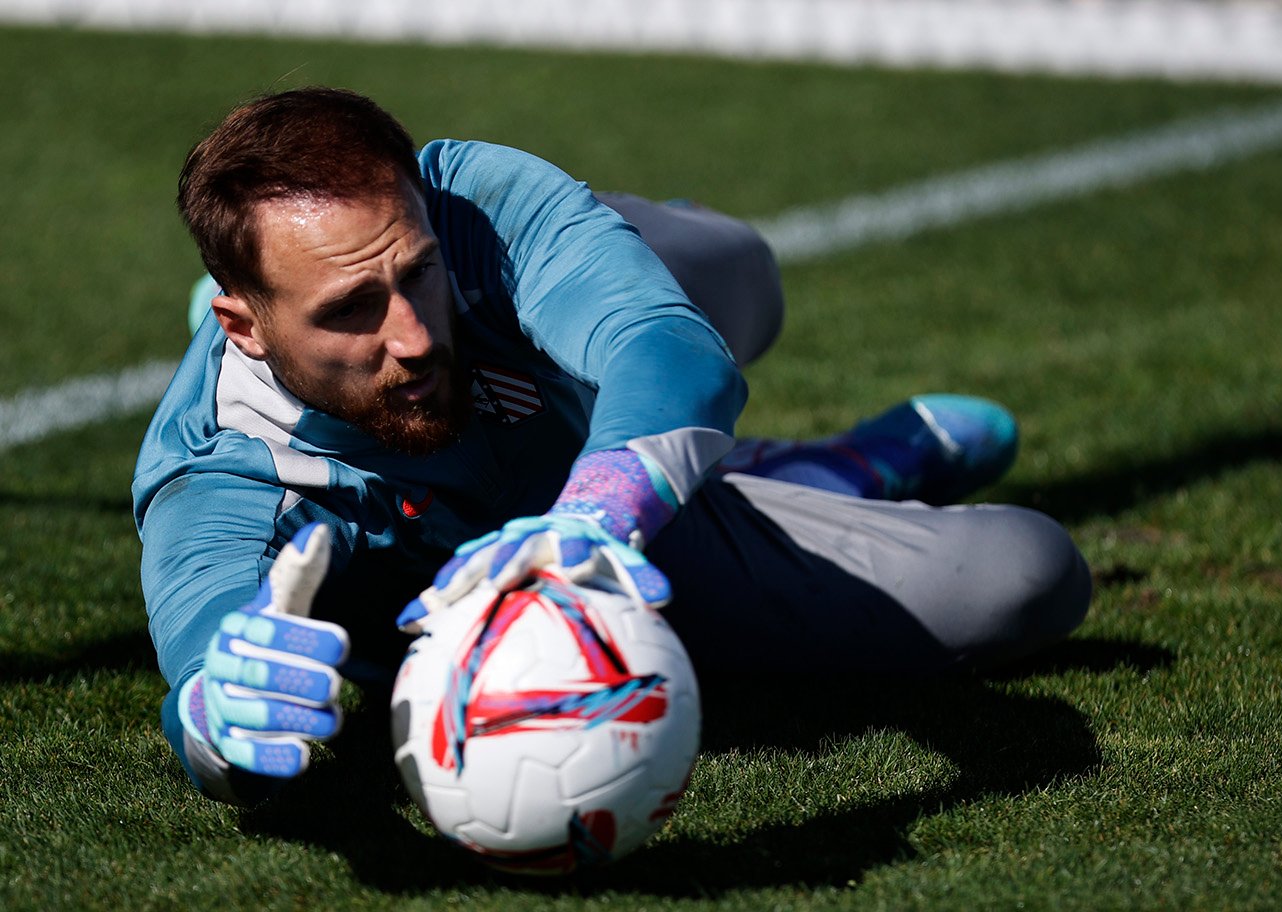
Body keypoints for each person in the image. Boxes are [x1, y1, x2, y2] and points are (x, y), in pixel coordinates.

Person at [133, 87, 1092, 805]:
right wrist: (222, 722)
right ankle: (800, 475)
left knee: (740, 277)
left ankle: (707, 451)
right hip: (570, 525)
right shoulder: (214, 467)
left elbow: (667, 348)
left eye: (414, 276)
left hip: (591, 507)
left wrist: (597, 514)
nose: (414, 336)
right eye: (349, 309)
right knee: (1027, 573)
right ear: (242, 327)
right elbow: (208, 652)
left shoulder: (471, 204)